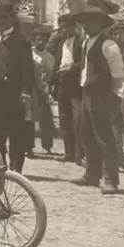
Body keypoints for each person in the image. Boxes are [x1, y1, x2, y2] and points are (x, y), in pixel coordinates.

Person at [73, 0, 124, 194]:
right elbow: (85, 69)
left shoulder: (109, 45)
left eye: (90, 21)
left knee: (104, 137)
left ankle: (111, 179)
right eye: (84, 21)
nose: (86, 25)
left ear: (101, 23)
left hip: (103, 96)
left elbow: (118, 74)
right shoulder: (87, 42)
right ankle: (91, 174)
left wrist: (116, 97)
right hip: (88, 93)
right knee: (86, 134)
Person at [0, 0, 35, 174]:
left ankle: (15, 170)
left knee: (16, 134)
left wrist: (25, 93)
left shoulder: (22, 42)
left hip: (13, 96)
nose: (2, 21)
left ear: (12, 19)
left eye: (5, 17)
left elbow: (28, 71)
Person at [49, 13, 85, 164]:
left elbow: (84, 63)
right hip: (62, 85)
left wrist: (71, 68)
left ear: (74, 27)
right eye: (60, 28)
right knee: (64, 120)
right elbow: (56, 64)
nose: (62, 31)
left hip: (76, 86)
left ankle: (79, 155)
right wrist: (51, 82)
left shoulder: (81, 43)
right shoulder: (60, 44)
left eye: (65, 28)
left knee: (78, 120)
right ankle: (68, 153)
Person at [28, 23, 56, 156]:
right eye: (38, 40)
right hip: (30, 88)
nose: (41, 42)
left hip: (42, 89)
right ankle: (28, 146)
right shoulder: (28, 53)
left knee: (45, 119)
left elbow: (50, 74)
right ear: (33, 40)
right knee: (29, 118)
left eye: (44, 40)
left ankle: (47, 145)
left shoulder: (48, 57)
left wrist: (45, 87)